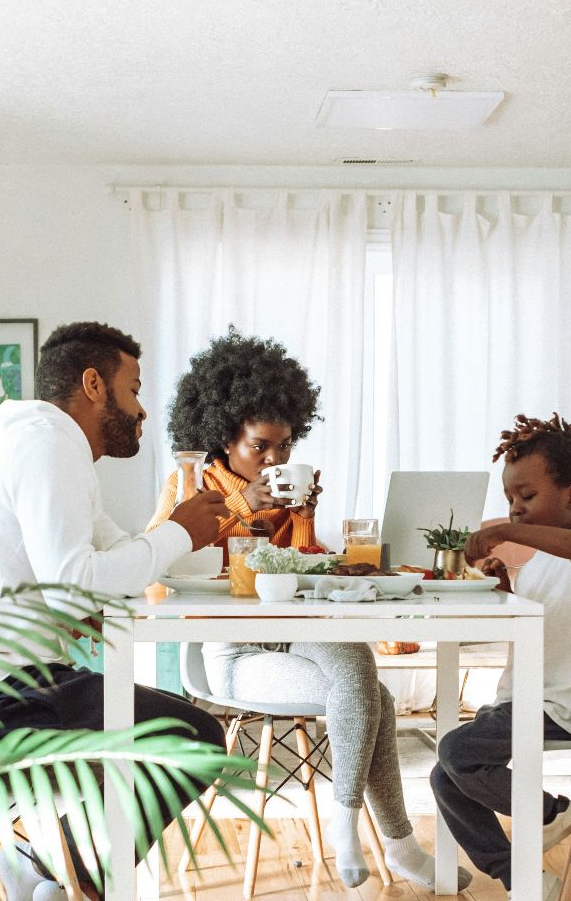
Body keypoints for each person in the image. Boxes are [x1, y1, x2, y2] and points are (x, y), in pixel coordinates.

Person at [145, 330, 450, 889]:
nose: (274, 459)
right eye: (260, 446)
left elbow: (298, 569)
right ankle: (389, 842)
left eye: (284, 446)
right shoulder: (189, 485)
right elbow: (158, 559)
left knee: (359, 667)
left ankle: (351, 827)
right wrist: (241, 505)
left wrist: (305, 516)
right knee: (372, 693)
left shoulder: (286, 489)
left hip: (294, 633)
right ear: (223, 436)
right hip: (231, 651)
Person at [0, 321, 231, 900]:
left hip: (8, 679)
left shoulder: (51, 448)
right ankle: (67, 877)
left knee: (183, 730)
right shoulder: (47, 445)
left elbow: (115, 558)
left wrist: (180, 536)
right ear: (93, 384)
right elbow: (78, 583)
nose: (142, 411)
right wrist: (179, 530)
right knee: (194, 736)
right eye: (134, 390)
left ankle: (44, 864)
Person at [429, 413, 571, 897]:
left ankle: (553, 812)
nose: (515, 509)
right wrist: (506, 582)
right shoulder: (540, 565)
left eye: (526, 496)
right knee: (445, 777)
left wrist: (504, 535)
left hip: (562, 706)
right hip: (521, 702)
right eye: (510, 499)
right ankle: (526, 881)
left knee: (455, 752)